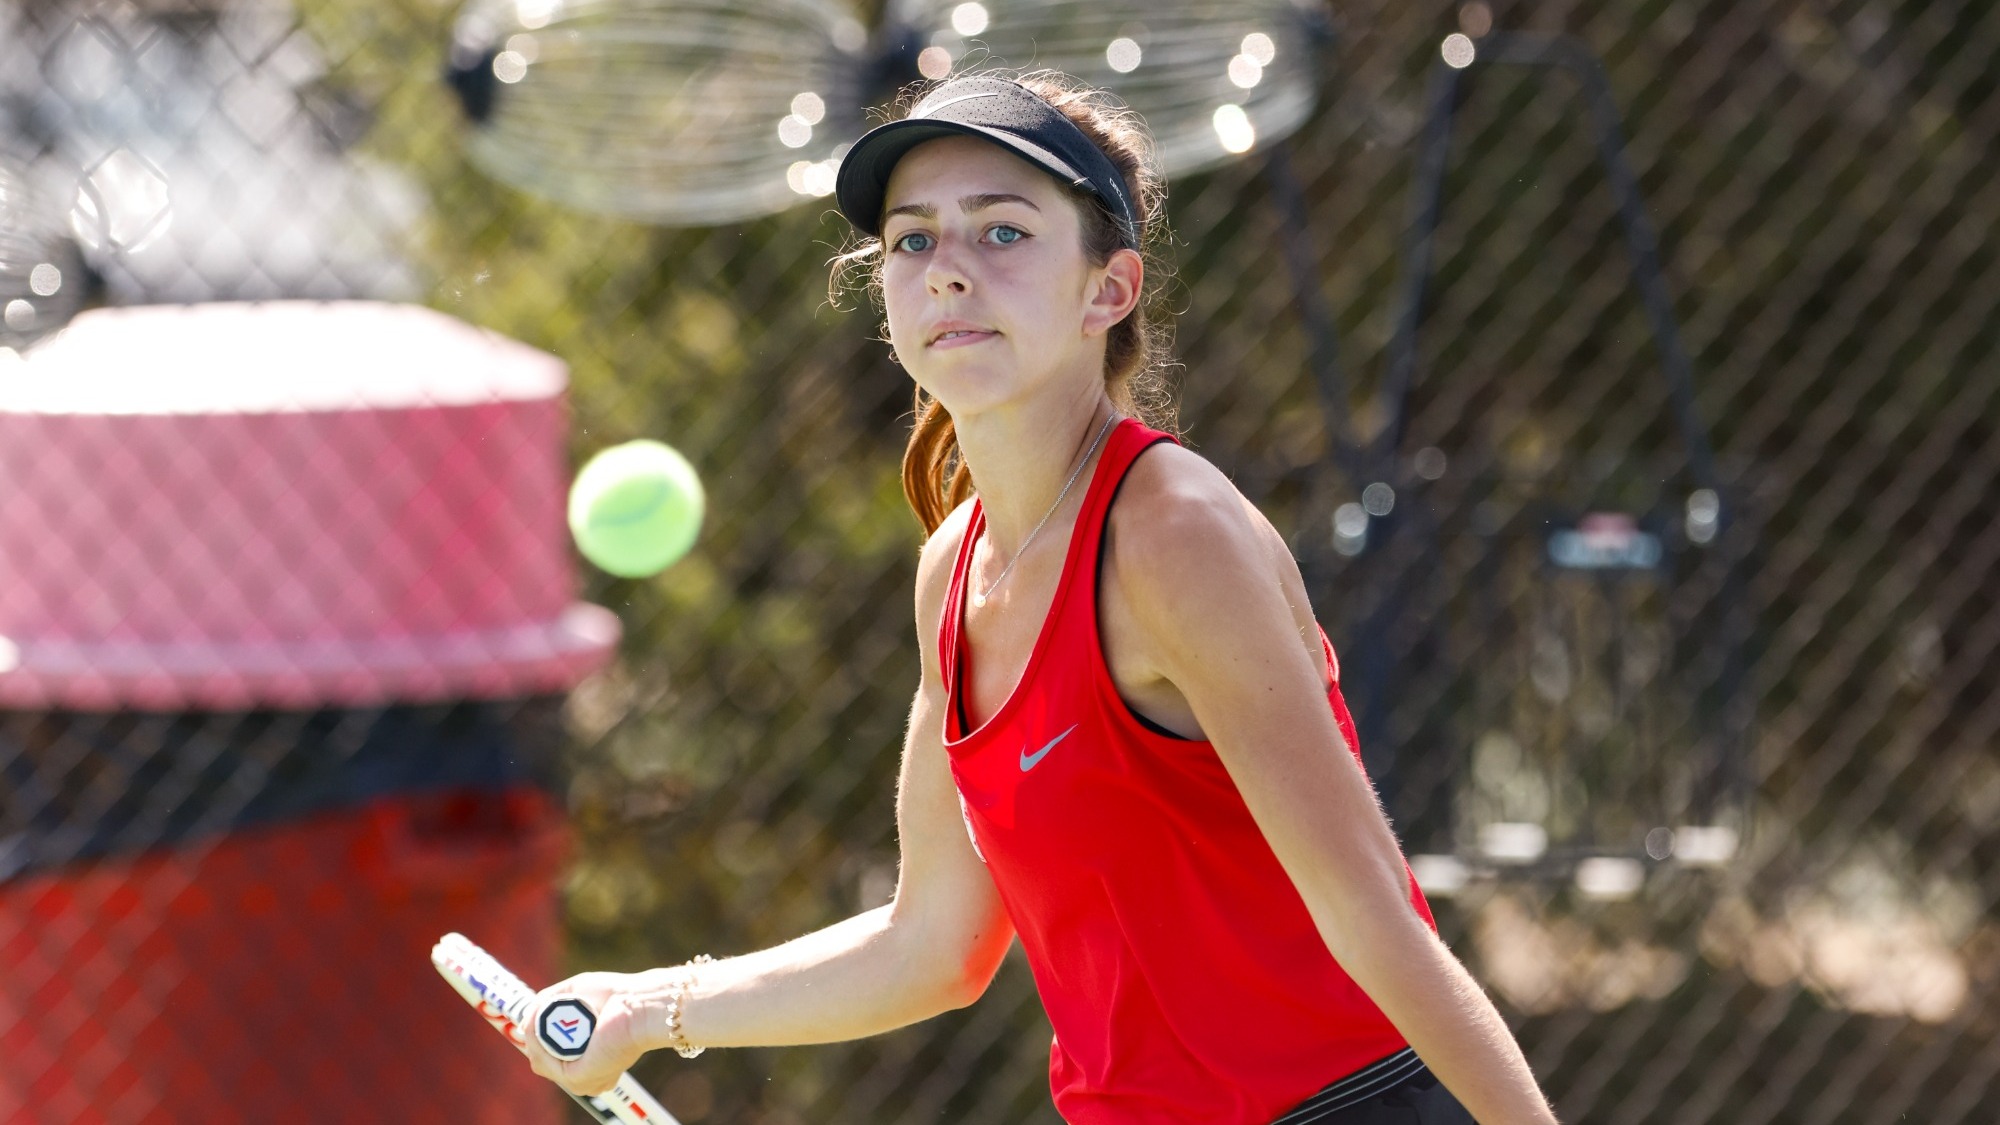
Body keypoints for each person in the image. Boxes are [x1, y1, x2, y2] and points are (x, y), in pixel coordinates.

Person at [520, 71, 1559, 1125]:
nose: (947, 270)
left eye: (1003, 232)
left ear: (1107, 291)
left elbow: (1370, 915)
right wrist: (648, 1007)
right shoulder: (952, 571)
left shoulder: (1173, 536)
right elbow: (931, 946)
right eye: (912, 240)